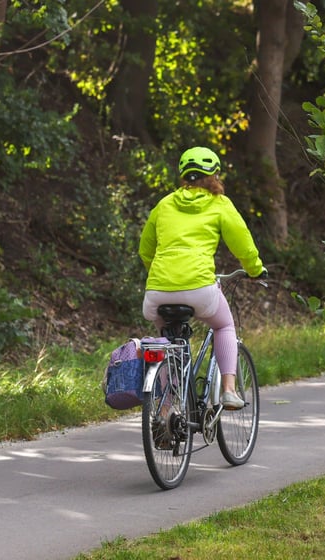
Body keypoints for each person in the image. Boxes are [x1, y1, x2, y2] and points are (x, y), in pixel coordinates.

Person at [139, 146, 265, 410]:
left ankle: (166, 409)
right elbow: (243, 245)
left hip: (157, 292)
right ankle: (229, 390)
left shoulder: (164, 204)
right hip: (199, 289)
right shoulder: (219, 204)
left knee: (165, 342)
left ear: (184, 175)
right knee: (224, 326)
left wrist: (162, 274)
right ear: (215, 175)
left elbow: (145, 250)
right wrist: (254, 269)